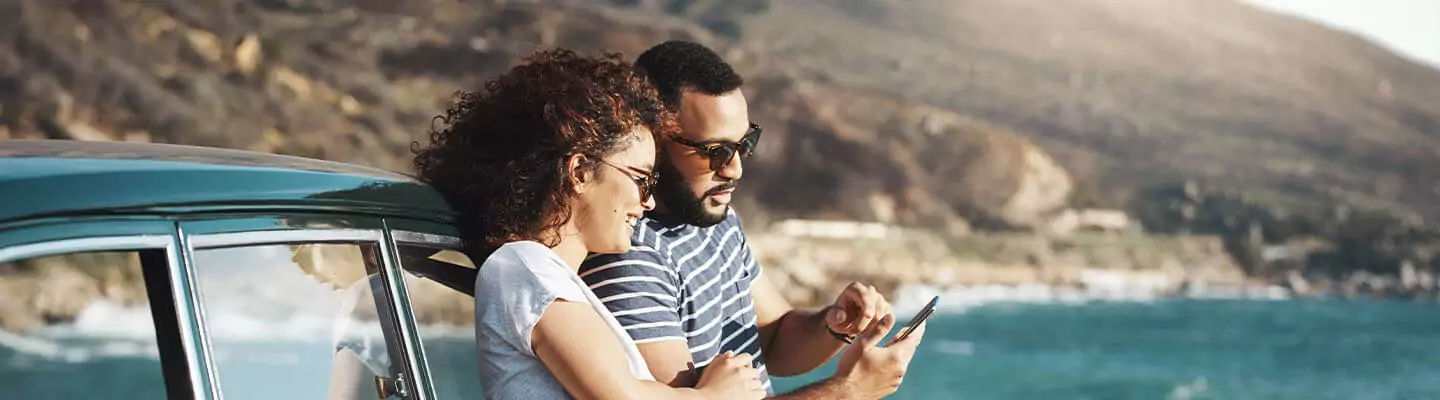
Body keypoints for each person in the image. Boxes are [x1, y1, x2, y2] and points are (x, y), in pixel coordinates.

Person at [412, 48, 766, 400]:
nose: (649, 201)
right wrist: (714, 396)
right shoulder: (524, 266)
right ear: (579, 172)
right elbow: (623, 397)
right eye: (642, 179)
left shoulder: (542, 278)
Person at [580, 40, 927, 399]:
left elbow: (774, 340)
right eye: (715, 152)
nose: (735, 169)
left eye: (744, 143)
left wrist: (834, 324)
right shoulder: (629, 256)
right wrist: (852, 390)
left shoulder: (718, 218)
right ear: (654, 139)